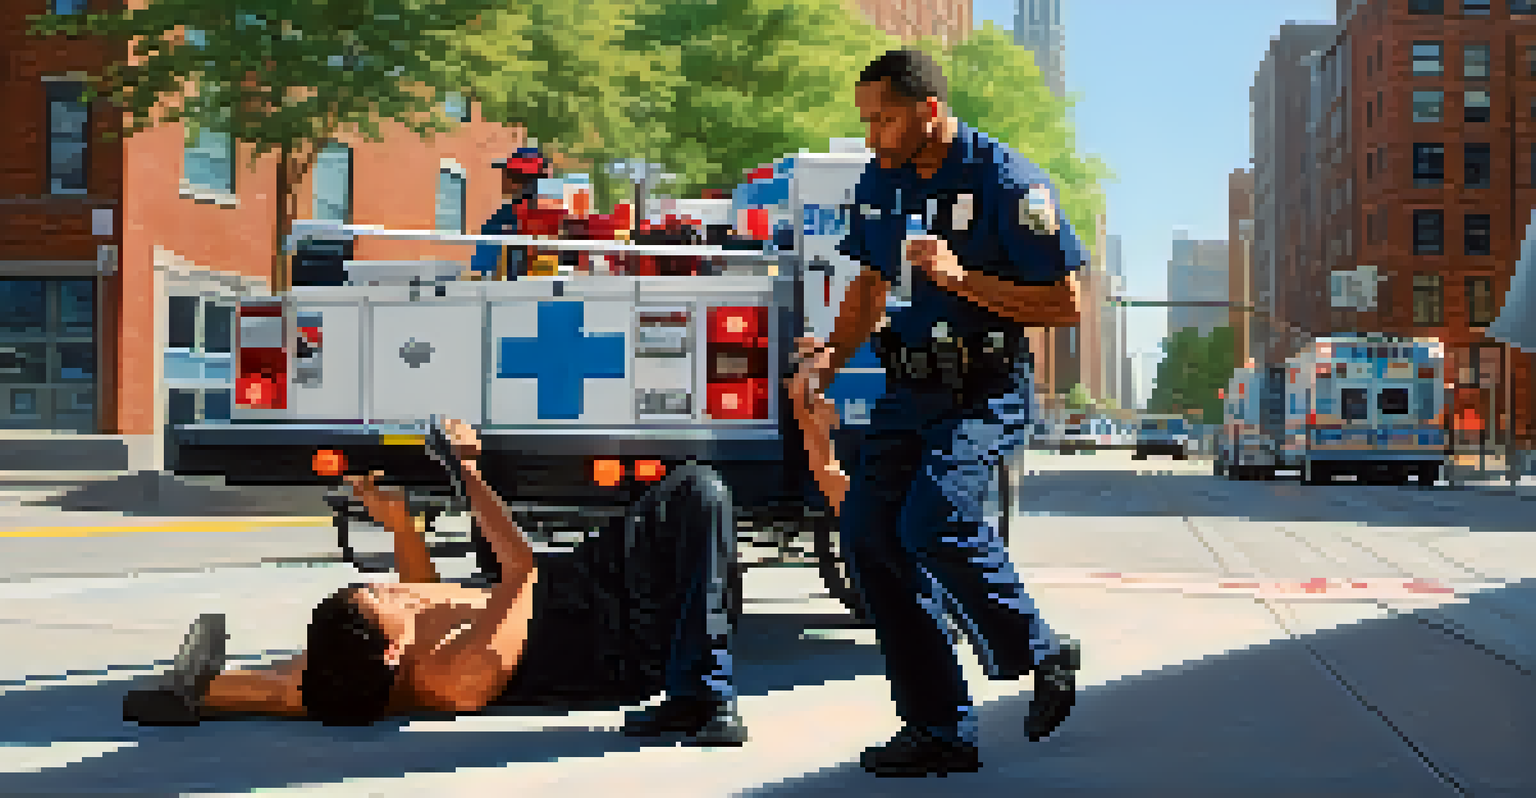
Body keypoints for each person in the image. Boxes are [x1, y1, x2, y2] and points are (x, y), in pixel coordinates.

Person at [793, 48, 1085, 777]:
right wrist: (830, 356)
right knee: (868, 535)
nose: (871, 135)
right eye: (865, 119)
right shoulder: (881, 180)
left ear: (927, 110)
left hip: (983, 389)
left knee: (934, 519)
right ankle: (940, 731)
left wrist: (964, 279)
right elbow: (868, 286)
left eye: (883, 118)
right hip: (906, 389)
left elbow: (1066, 304)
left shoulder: (1009, 183)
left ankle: (1041, 650)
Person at [123, 418, 746, 746]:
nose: (387, 588)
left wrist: (400, 527)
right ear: (394, 652)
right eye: (378, 599)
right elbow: (519, 568)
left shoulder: (340, 672)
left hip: (559, 592)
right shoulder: (461, 678)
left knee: (509, 511)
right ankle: (707, 694)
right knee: (698, 489)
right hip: (624, 630)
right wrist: (465, 471)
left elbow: (427, 595)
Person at [469, 147, 549, 280]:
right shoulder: (560, 216)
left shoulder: (500, 220)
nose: (503, 178)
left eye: (508, 174)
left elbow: (482, 271)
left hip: (511, 293)